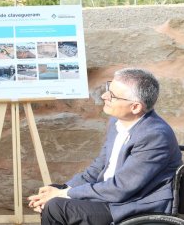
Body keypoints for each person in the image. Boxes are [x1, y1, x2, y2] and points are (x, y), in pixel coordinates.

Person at [28, 68, 182, 225]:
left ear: (135, 107)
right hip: (110, 195)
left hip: (134, 204)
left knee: (56, 207)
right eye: (109, 88)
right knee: (51, 192)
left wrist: (64, 194)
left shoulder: (154, 136)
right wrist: (65, 188)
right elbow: (98, 167)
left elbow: (121, 188)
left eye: (112, 95)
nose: (104, 96)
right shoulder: (117, 121)